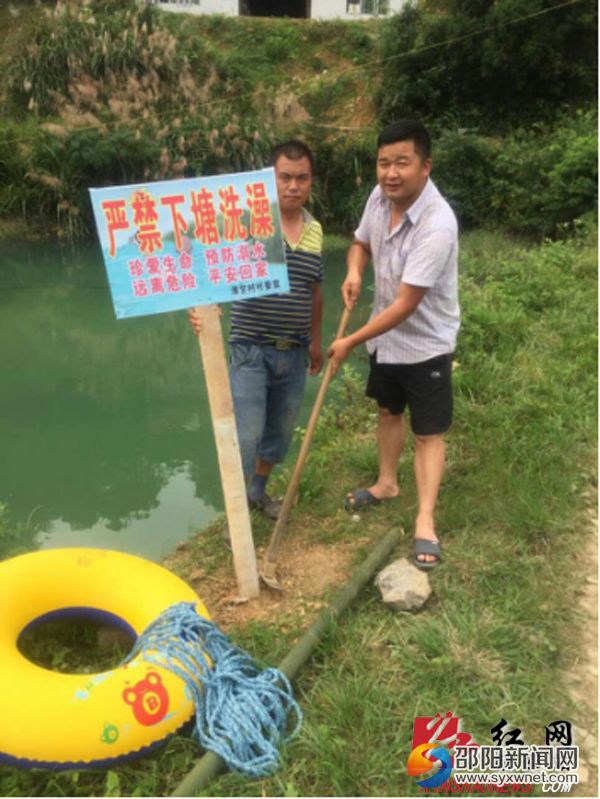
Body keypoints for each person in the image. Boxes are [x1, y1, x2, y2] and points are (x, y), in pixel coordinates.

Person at [328, 119, 459, 570]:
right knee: (387, 411)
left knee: (428, 433)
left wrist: (348, 341)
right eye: (384, 163)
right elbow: (360, 242)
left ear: (425, 166)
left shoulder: (438, 223)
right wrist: (353, 270)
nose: (391, 173)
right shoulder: (379, 198)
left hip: (424, 343)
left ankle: (425, 520)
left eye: (402, 163)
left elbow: (405, 304)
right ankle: (387, 484)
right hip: (386, 344)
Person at [190, 139, 323, 528]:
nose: (293, 186)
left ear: (311, 181)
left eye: (301, 178)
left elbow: (315, 291)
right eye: (285, 178)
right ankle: (236, 521)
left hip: (295, 352)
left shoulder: (315, 231)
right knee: (245, 437)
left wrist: (316, 341)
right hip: (250, 349)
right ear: (271, 179)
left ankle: (257, 491)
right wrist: (201, 310)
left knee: (278, 434)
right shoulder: (247, 224)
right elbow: (207, 267)